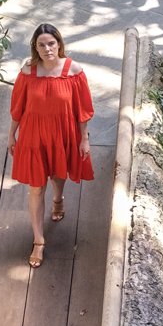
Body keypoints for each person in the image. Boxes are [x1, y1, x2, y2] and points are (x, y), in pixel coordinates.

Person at [8, 23, 95, 268]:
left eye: (51, 43)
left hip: (63, 134)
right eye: (41, 45)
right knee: (36, 187)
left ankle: (58, 199)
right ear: (35, 48)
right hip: (33, 136)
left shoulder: (74, 71)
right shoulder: (28, 72)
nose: (47, 49)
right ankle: (39, 241)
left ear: (59, 44)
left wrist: (84, 139)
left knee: (58, 173)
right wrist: (11, 135)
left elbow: (83, 110)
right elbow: (18, 107)